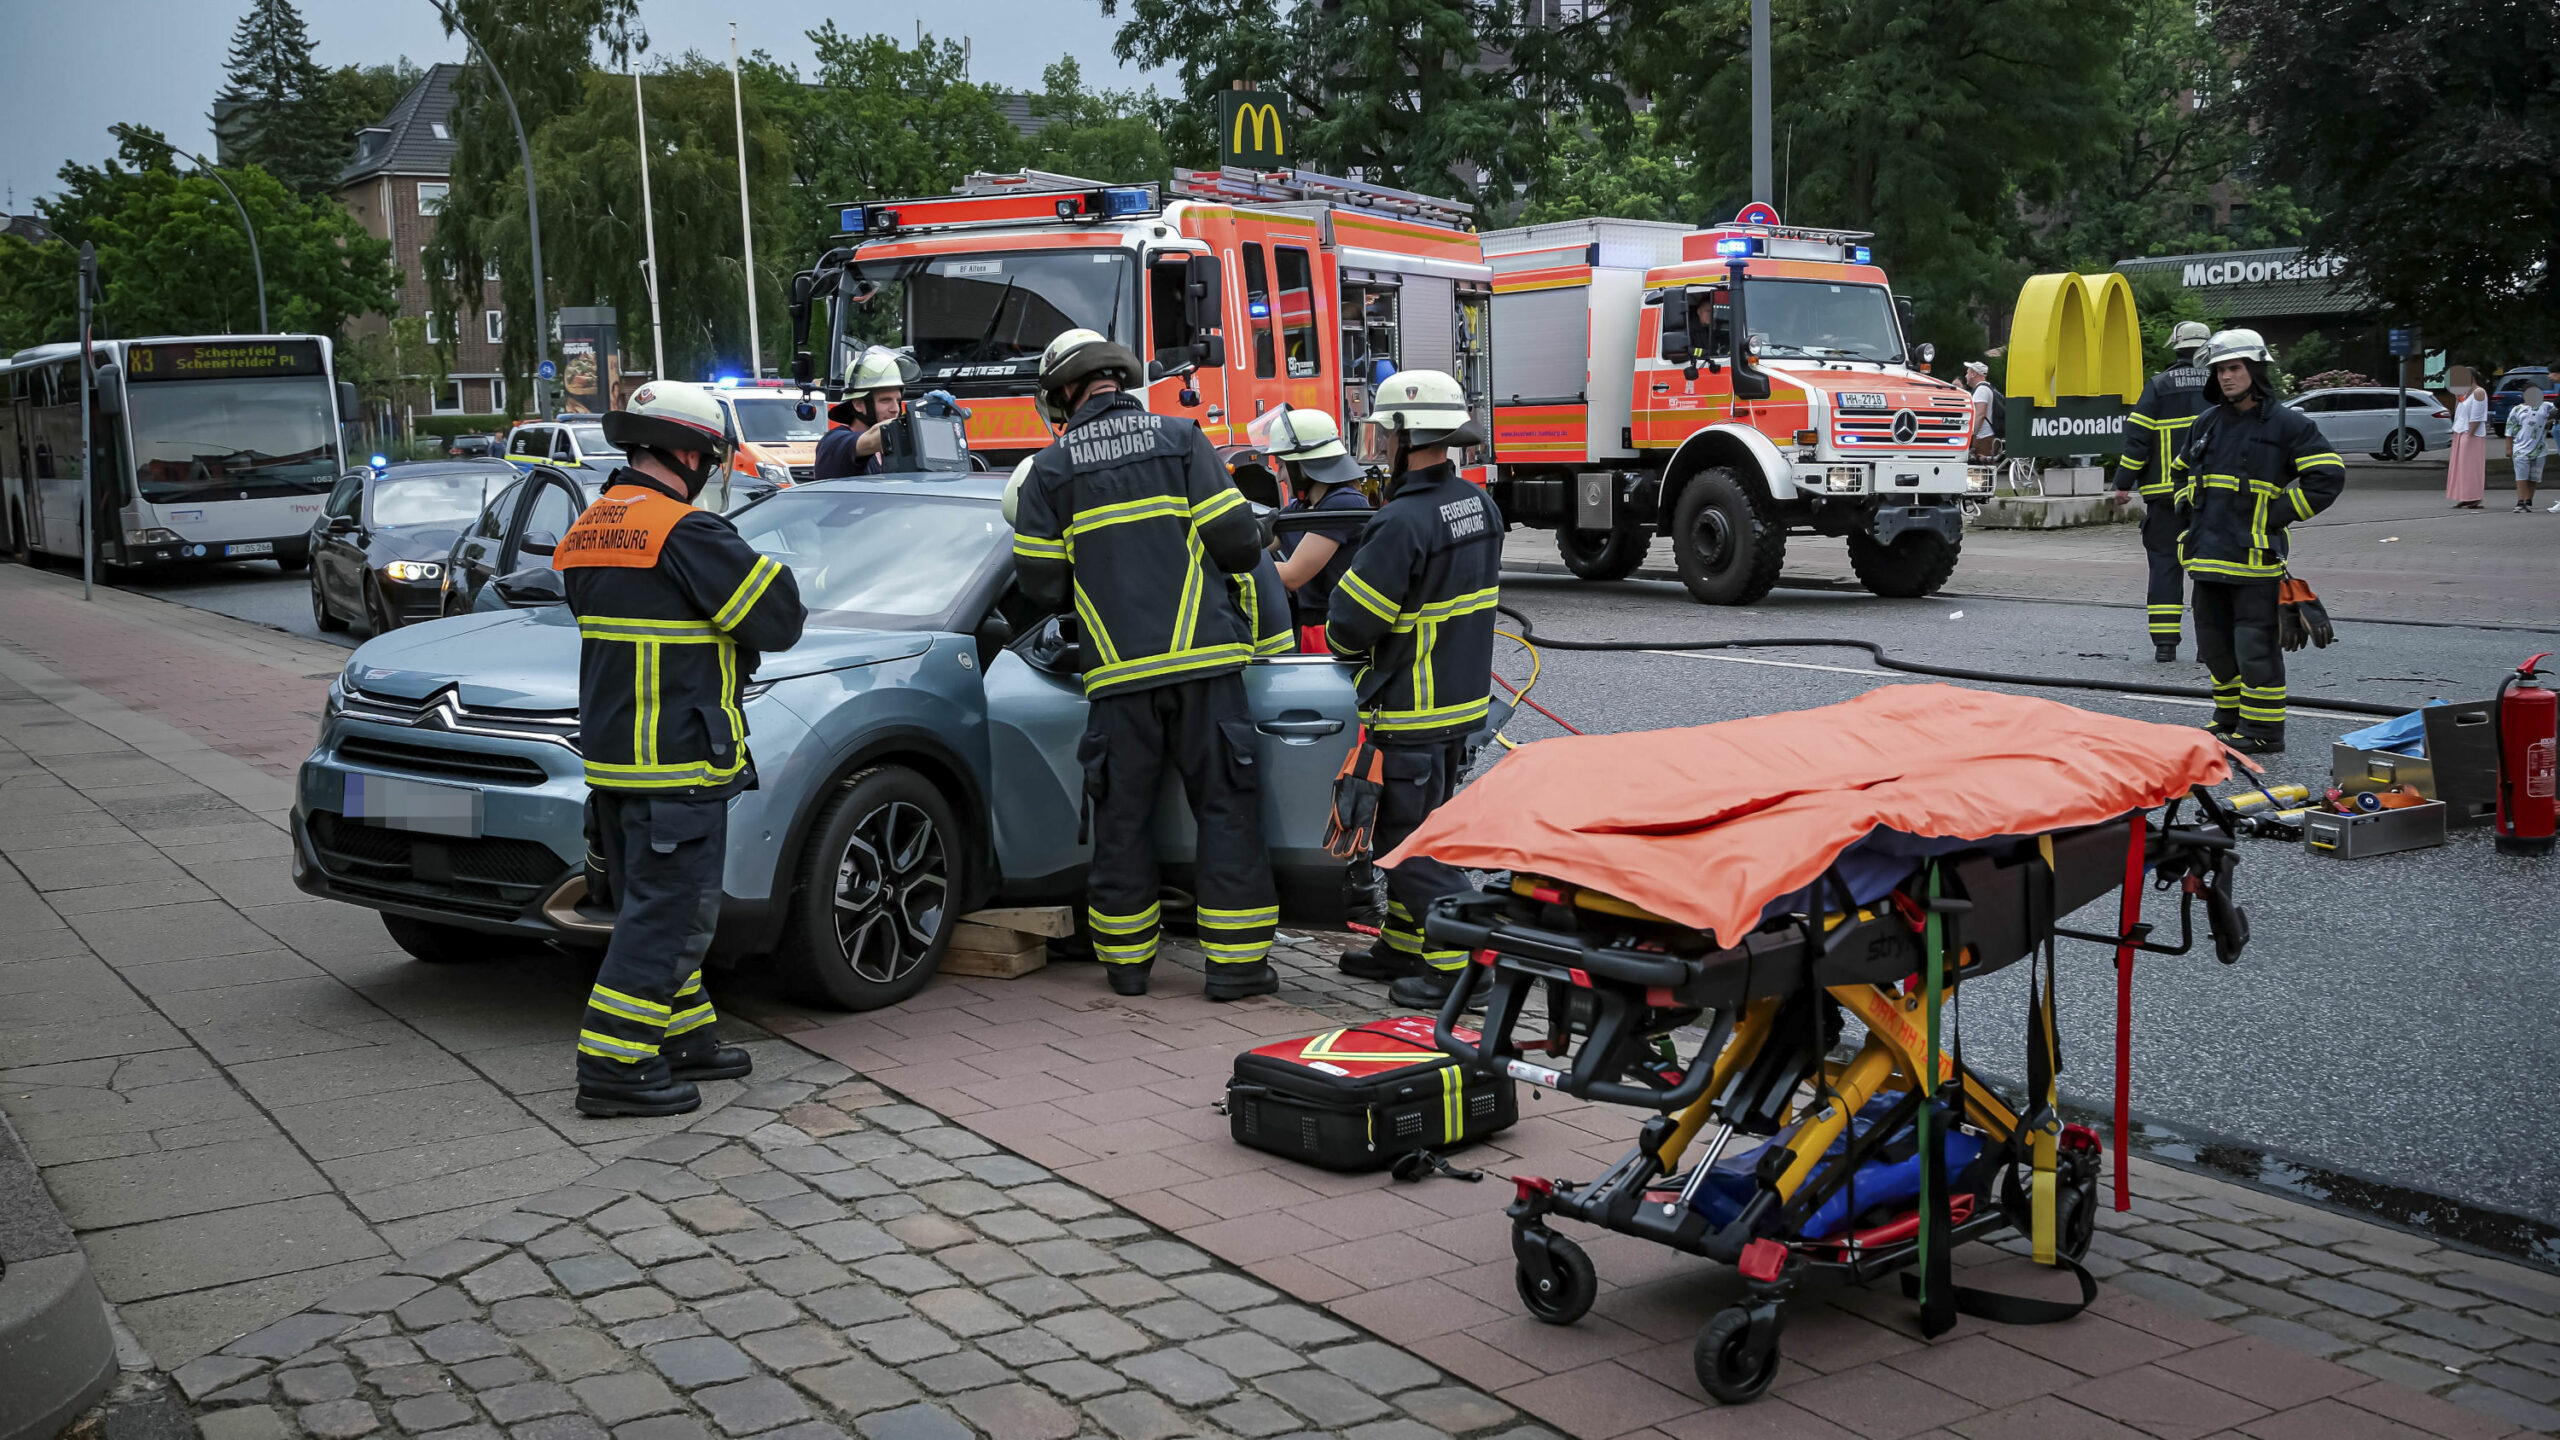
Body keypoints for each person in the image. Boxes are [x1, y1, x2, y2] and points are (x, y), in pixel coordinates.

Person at [553, 382, 807, 1117]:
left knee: (650, 901)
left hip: (617, 757)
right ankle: (614, 1068)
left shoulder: (593, 524)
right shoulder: (687, 532)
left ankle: (684, 1035)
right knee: (668, 913)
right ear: (690, 454)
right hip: (677, 755)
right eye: (710, 458)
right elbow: (778, 619)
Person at [1010, 329, 1281, 1002]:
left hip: (1117, 678)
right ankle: (1237, 968)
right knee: (1225, 810)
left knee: (1122, 819)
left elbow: (1040, 587)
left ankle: (1128, 968)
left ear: (1067, 393)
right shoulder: (1183, 439)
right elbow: (1238, 545)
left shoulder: (1050, 470)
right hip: (1206, 665)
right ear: (1115, 380)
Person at [1324, 370, 1503, 1008]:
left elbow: (1351, 623)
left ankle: (1463, 969)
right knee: (1425, 827)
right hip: (1459, 706)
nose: (1375, 441)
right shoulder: (1476, 503)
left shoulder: (1400, 521)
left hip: (1409, 708)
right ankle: (1404, 944)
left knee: (1410, 843)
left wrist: (1345, 653)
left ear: (1403, 434)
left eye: (1382, 429)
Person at [2168, 330, 2345, 756]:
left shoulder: (2289, 425)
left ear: (2255, 371)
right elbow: (2179, 472)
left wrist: (2274, 514)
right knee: (2214, 649)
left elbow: (2328, 476)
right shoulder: (2206, 422)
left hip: (2254, 563)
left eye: (2234, 368)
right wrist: (2188, 516)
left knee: (2254, 652)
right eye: (2220, 370)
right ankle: (2228, 719)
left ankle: (2264, 731)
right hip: (2207, 559)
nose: (2226, 377)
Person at [2112, 320, 2216, 661]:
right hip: (2211, 495)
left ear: (2176, 347)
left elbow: (2138, 439)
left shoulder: (2159, 386)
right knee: (2209, 568)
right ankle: (2208, 647)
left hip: (2164, 496)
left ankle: (2165, 645)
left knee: (2164, 566)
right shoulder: (2221, 385)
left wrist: (2123, 484)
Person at [1249, 404, 1372, 651]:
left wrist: (1236, 572)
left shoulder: (1344, 503)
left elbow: (1293, 575)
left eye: (1282, 466)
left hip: (1333, 631)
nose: (1279, 477)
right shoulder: (1302, 508)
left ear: (1303, 466)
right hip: (1311, 630)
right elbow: (1257, 543)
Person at [812, 347, 913, 480]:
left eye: (898, 401)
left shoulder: (886, 450)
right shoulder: (834, 443)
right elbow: (873, 438)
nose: (895, 409)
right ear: (858, 404)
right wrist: (916, 419)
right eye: (885, 400)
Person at [2503, 381, 2552, 512]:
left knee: (2534, 476)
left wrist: (2550, 421)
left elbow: (2556, 412)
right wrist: (2508, 448)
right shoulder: (2517, 410)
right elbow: (2509, 429)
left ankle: (2528, 500)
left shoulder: (2546, 406)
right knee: (2521, 476)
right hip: (2520, 448)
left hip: (2539, 448)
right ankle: (2520, 501)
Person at [2447, 375, 2490, 508]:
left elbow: (2477, 415)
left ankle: (2474, 497)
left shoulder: (2478, 392)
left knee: (2471, 467)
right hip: (2461, 431)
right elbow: (2458, 411)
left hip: (2471, 433)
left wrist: (2470, 433)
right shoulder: (2465, 394)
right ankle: (2465, 496)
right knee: (2461, 468)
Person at [1966, 361, 2000, 463]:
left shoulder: (1981, 390)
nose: (1966, 376)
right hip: (1986, 436)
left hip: (1983, 437)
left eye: (1967, 372)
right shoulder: (1986, 388)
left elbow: (1980, 415)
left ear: (1974, 374)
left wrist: (1972, 435)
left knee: (1981, 472)